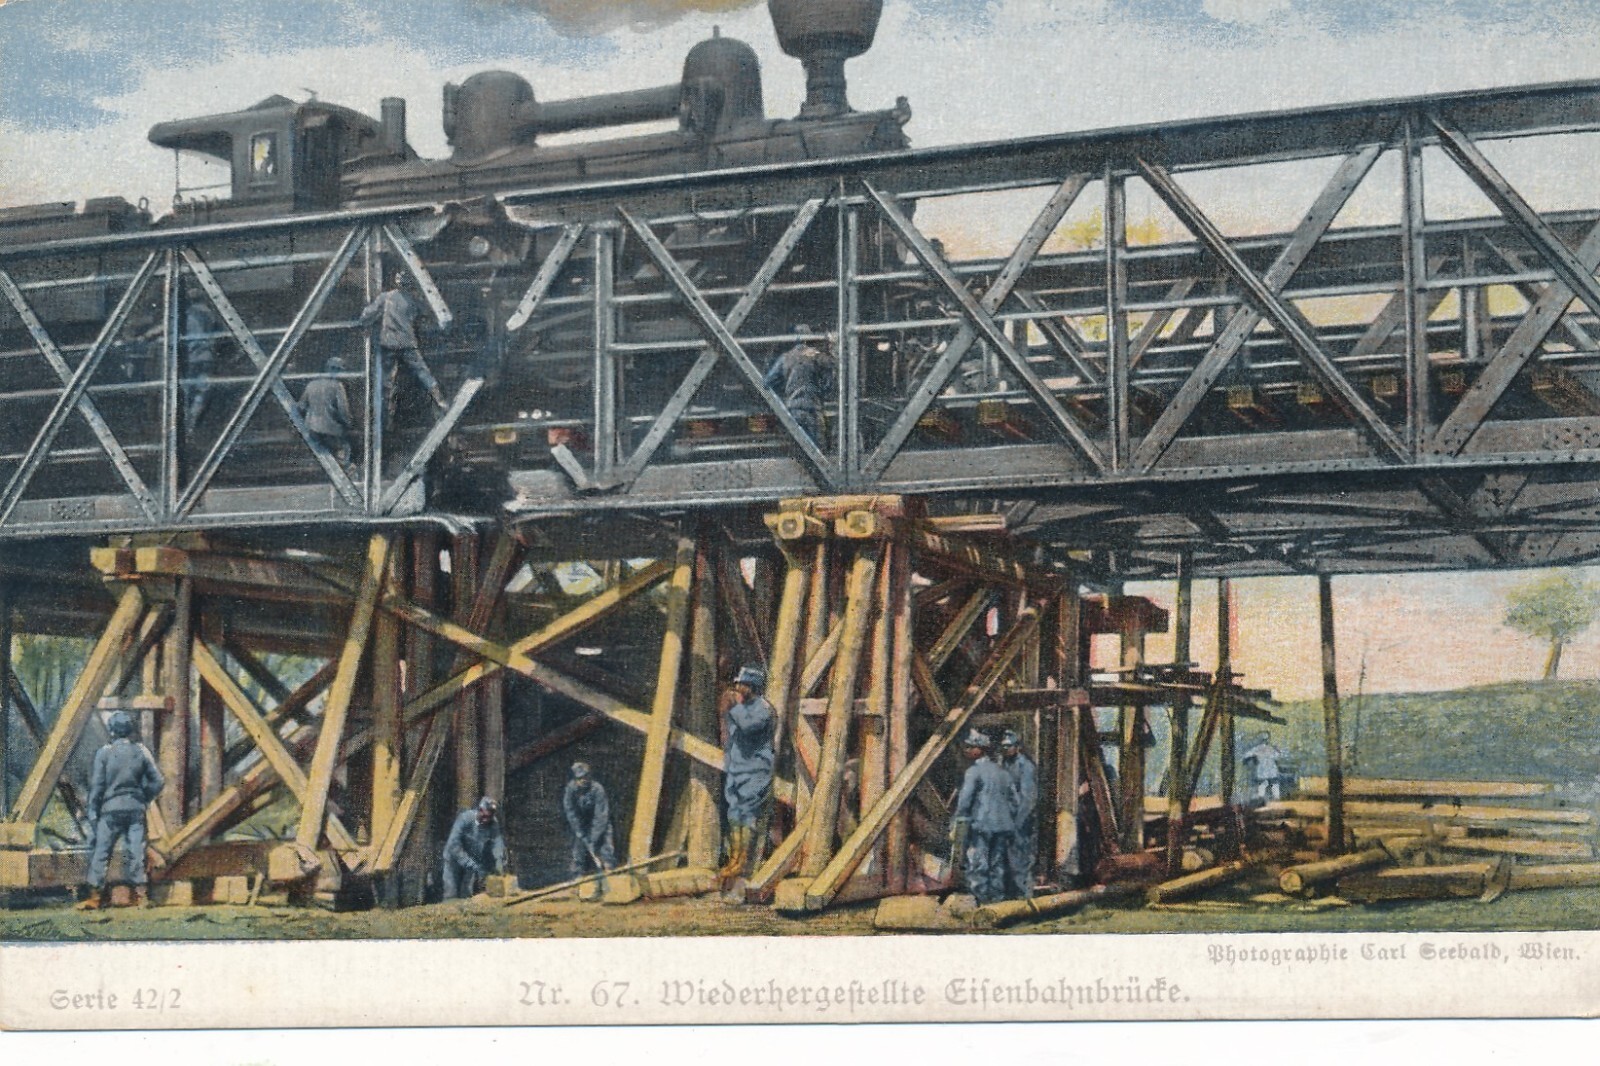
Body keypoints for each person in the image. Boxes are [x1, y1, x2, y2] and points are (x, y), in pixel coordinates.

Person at [78, 711, 164, 910]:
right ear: (130, 730)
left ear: (112, 731)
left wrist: (93, 811)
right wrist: (143, 797)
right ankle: (142, 897)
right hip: (135, 809)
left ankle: (95, 898)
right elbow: (158, 781)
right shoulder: (141, 751)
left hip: (110, 811)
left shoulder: (104, 753)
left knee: (101, 852)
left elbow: (97, 786)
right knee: (137, 852)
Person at [360, 271, 447, 422]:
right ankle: (440, 401)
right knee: (422, 372)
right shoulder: (413, 299)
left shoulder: (386, 297)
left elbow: (367, 316)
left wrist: (365, 322)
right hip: (407, 342)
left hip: (389, 343)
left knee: (387, 380)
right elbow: (427, 313)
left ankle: (387, 417)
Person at [719, 664, 775, 881]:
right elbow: (730, 736)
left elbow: (747, 726)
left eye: (742, 684)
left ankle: (743, 862)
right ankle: (734, 859)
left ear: (752, 686)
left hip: (755, 770)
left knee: (748, 814)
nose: (737, 688)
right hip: (737, 768)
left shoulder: (763, 709)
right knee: (734, 813)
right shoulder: (741, 707)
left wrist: (732, 707)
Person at [952, 728, 1015, 905]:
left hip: (981, 825)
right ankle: (997, 901)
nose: (966, 750)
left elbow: (965, 801)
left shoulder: (973, 772)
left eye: (969, 747)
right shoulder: (1003, 773)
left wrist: (958, 821)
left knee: (978, 862)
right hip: (1003, 825)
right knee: (997, 864)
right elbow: (1014, 801)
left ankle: (979, 900)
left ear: (979, 749)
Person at [763, 324, 834, 447]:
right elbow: (831, 376)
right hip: (813, 408)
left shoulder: (785, 358)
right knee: (817, 447)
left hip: (792, 408)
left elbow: (767, 383)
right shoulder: (816, 356)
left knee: (797, 447)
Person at [441, 796, 507, 899]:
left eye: (490, 817)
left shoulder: (493, 823)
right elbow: (454, 845)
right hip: (453, 861)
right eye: (484, 816)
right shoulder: (465, 819)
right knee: (451, 893)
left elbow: (497, 842)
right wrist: (471, 864)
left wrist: (499, 861)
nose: (486, 820)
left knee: (466, 894)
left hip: (472, 861)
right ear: (479, 810)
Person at [999, 728, 1038, 900]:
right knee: (1006, 862)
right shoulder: (1003, 764)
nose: (1006, 749)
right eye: (1004, 746)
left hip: (1020, 824)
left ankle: (1024, 900)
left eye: (1009, 746)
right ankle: (1009, 900)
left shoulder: (1026, 767)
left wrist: (1017, 824)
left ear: (1017, 747)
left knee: (1020, 862)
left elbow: (1028, 799)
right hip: (1005, 822)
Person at [299, 355, 355, 474]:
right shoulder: (337, 386)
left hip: (313, 429)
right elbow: (343, 411)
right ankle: (345, 472)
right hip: (331, 430)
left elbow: (301, 406)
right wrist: (349, 423)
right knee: (344, 448)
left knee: (323, 452)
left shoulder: (311, 384)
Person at [562, 762, 616, 879]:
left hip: (599, 822)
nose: (583, 780)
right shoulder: (570, 789)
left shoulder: (597, 789)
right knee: (578, 846)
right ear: (575, 779)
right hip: (581, 823)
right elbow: (570, 812)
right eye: (580, 778)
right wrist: (579, 831)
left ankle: (609, 867)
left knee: (605, 841)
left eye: (586, 776)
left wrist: (593, 838)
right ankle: (577, 875)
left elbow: (601, 816)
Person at [181, 299, 222, 432]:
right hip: (207, 356)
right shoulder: (210, 315)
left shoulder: (187, 314)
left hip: (190, 358)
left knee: (186, 390)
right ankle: (192, 422)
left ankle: (185, 423)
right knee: (202, 390)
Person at [1241, 732, 1286, 805]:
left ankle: (1261, 798)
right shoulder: (1271, 748)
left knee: (1262, 784)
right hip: (1271, 769)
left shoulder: (1256, 749)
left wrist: (1250, 759)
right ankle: (1276, 798)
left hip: (1262, 770)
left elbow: (1246, 755)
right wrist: (1278, 750)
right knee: (1274, 784)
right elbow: (1278, 756)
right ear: (1267, 740)